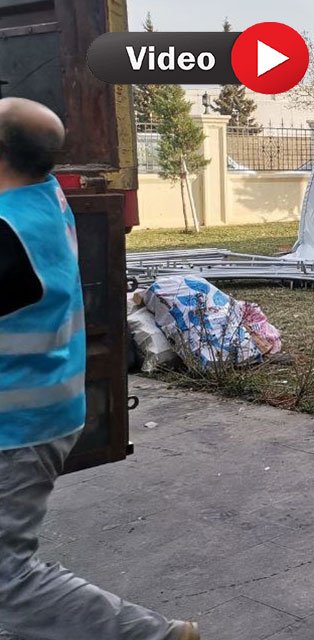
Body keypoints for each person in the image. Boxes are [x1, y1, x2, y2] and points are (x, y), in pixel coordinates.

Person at [0, 98, 200, 639]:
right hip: (45, 408)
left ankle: (153, 636)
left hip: (16, 429)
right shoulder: (43, 198)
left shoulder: (8, 230)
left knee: (5, 580)